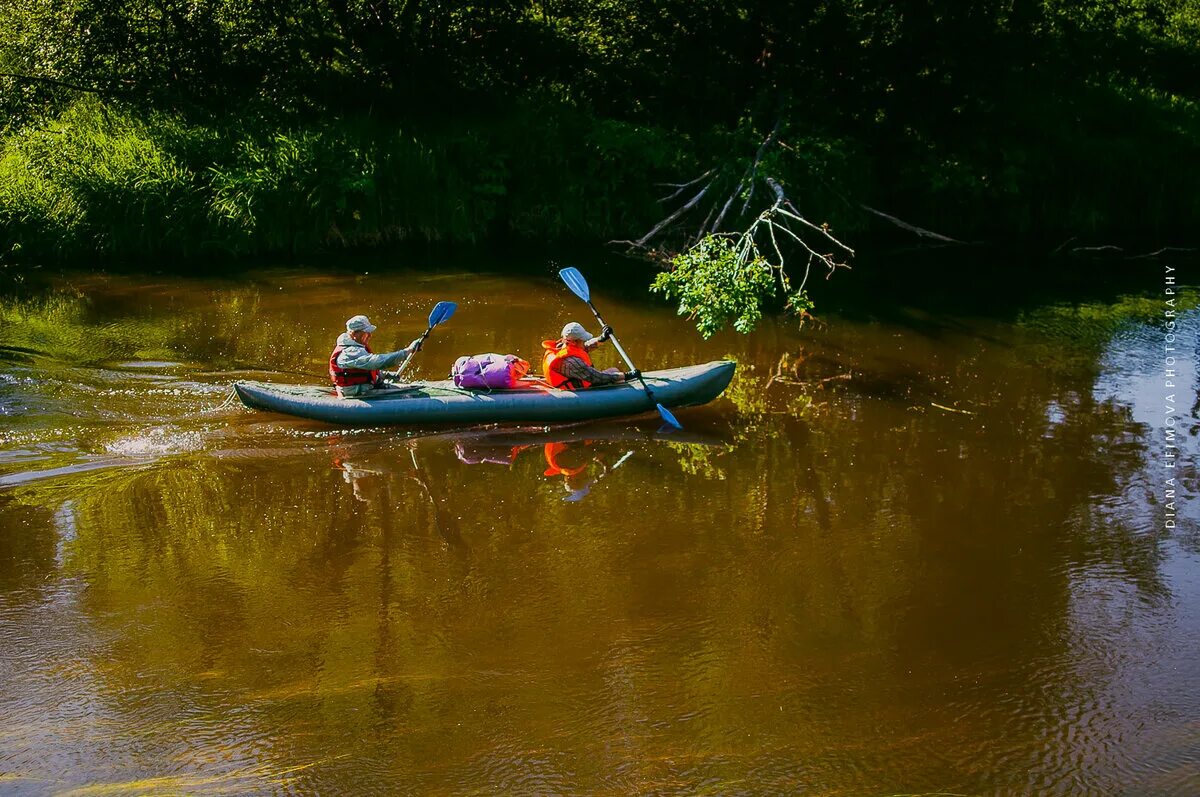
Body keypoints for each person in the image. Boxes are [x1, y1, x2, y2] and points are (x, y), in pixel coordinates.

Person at [329, 314, 424, 398]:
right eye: (366, 332)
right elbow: (377, 362)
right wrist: (406, 351)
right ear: (354, 334)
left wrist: (386, 375)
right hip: (359, 393)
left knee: (414, 389)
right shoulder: (349, 352)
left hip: (369, 388)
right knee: (410, 395)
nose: (370, 335)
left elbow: (366, 369)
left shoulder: (357, 347)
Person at [541, 322, 639, 390]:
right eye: (582, 340)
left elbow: (585, 347)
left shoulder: (561, 346)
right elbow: (597, 377)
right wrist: (628, 375)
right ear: (574, 341)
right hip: (577, 390)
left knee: (616, 373)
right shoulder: (572, 362)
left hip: (574, 380)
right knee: (615, 373)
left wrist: (602, 338)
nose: (584, 342)